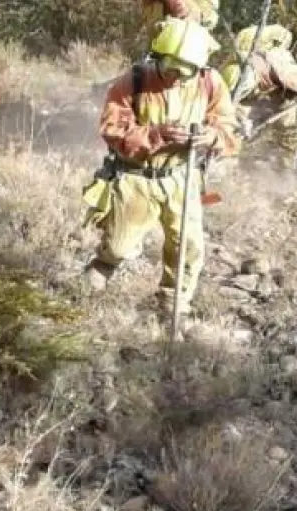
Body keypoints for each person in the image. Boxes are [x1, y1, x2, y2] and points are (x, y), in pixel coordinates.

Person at [82, 17, 240, 319]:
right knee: (118, 246)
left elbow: (228, 129)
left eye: (186, 71)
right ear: (158, 58)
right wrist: (157, 135)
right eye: (170, 68)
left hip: (183, 177)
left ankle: (173, 305)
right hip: (136, 178)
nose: (176, 77)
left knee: (188, 248)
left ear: (200, 68)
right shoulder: (134, 81)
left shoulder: (210, 83)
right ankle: (95, 277)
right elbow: (112, 131)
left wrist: (212, 137)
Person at [219, 24, 297, 173]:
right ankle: (228, 172)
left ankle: (286, 172)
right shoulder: (232, 73)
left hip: (281, 95)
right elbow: (223, 107)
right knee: (231, 137)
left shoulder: (277, 62)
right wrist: (239, 122)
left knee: (287, 134)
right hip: (248, 100)